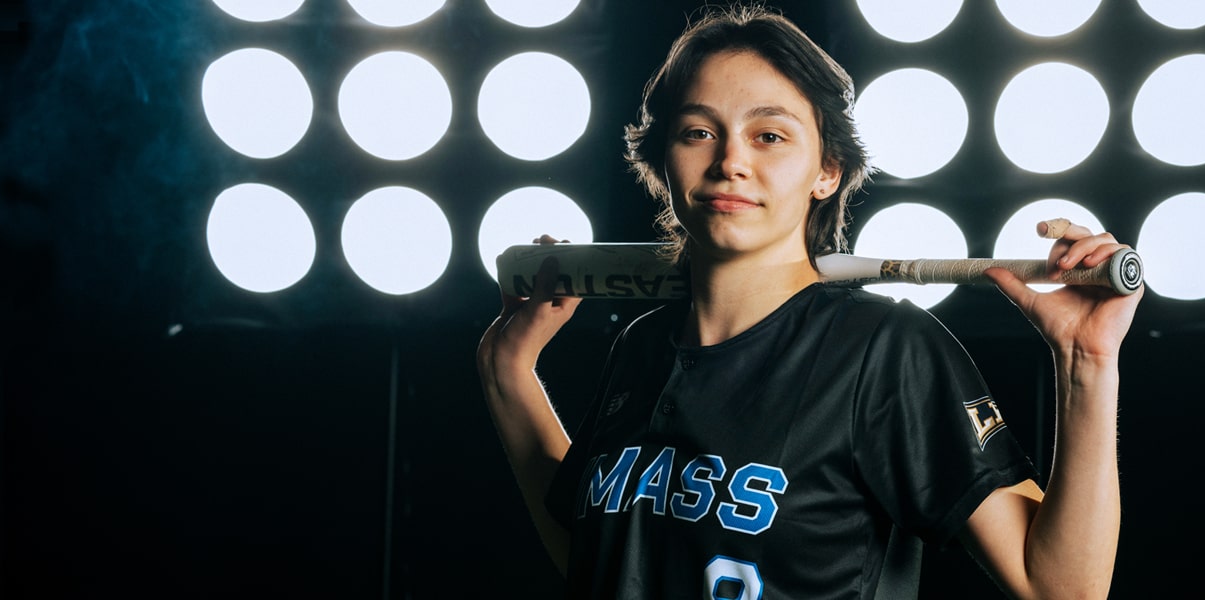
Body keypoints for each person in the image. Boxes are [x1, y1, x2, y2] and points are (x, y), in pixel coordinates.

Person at [477, 3, 1142, 598]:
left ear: (827, 171)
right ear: (663, 162)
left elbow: (1061, 587)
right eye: (698, 131)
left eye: (769, 135)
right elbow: (598, 562)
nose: (731, 160)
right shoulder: (642, 347)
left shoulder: (883, 354)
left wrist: (1087, 360)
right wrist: (507, 370)